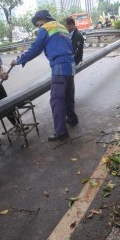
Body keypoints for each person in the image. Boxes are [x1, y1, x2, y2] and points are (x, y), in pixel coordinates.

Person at [11, 10, 78, 141]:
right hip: (71, 65)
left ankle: (61, 132)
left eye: (38, 23)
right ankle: (72, 118)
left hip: (59, 66)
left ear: (43, 20)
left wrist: (19, 60)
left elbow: (35, 48)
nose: (38, 27)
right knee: (68, 95)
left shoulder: (46, 28)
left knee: (57, 99)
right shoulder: (62, 27)